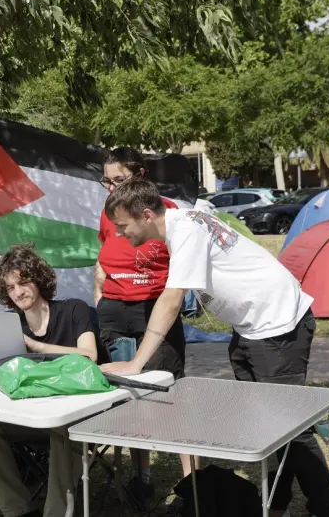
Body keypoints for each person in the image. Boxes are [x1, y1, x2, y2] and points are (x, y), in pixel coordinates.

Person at [100, 178, 329, 517]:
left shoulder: (185, 231)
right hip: (251, 328)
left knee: (291, 426)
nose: (120, 234)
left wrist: (137, 363)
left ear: (146, 215)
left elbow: (172, 298)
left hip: (278, 325)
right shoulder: (180, 225)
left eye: (122, 226)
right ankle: (277, 502)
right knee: (270, 425)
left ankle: (325, 508)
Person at [0, 244, 99, 517]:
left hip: (77, 416)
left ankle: (55, 513)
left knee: (64, 430)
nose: (18, 292)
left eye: (23, 282)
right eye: (10, 288)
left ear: (38, 279)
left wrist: (36, 347)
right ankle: (17, 509)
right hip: (30, 416)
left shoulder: (75, 310)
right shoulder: (9, 325)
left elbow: (90, 356)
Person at [94, 147, 186, 503]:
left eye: (118, 179)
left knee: (168, 396)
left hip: (155, 310)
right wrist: (100, 293)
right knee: (129, 400)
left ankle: (188, 487)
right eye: (106, 180)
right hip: (115, 310)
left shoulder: (168, 213)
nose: (110, 187)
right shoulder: (109, 212)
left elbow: (181, 268)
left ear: (140, 175)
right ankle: (141, 479)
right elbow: (101, 255)